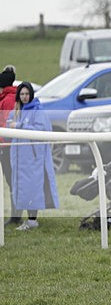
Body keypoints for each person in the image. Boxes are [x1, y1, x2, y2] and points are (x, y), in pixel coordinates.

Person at [7, 82, 59, 230]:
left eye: (27, 94)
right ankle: (25, 219)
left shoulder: (38, 111)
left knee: (32, 189)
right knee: (22, 189)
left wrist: (20, 126)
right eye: (22, 94)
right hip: (19, 160)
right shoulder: (15, 112)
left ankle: (32, 220)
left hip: (33, 159)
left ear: (31, 94)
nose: (24, 97)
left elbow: (42, 132)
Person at [0, 65, 20, 226]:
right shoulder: (13, 97)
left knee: (11, 180)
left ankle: (15, 215)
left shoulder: (6, 100)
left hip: (6, 146)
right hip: (11, 145)